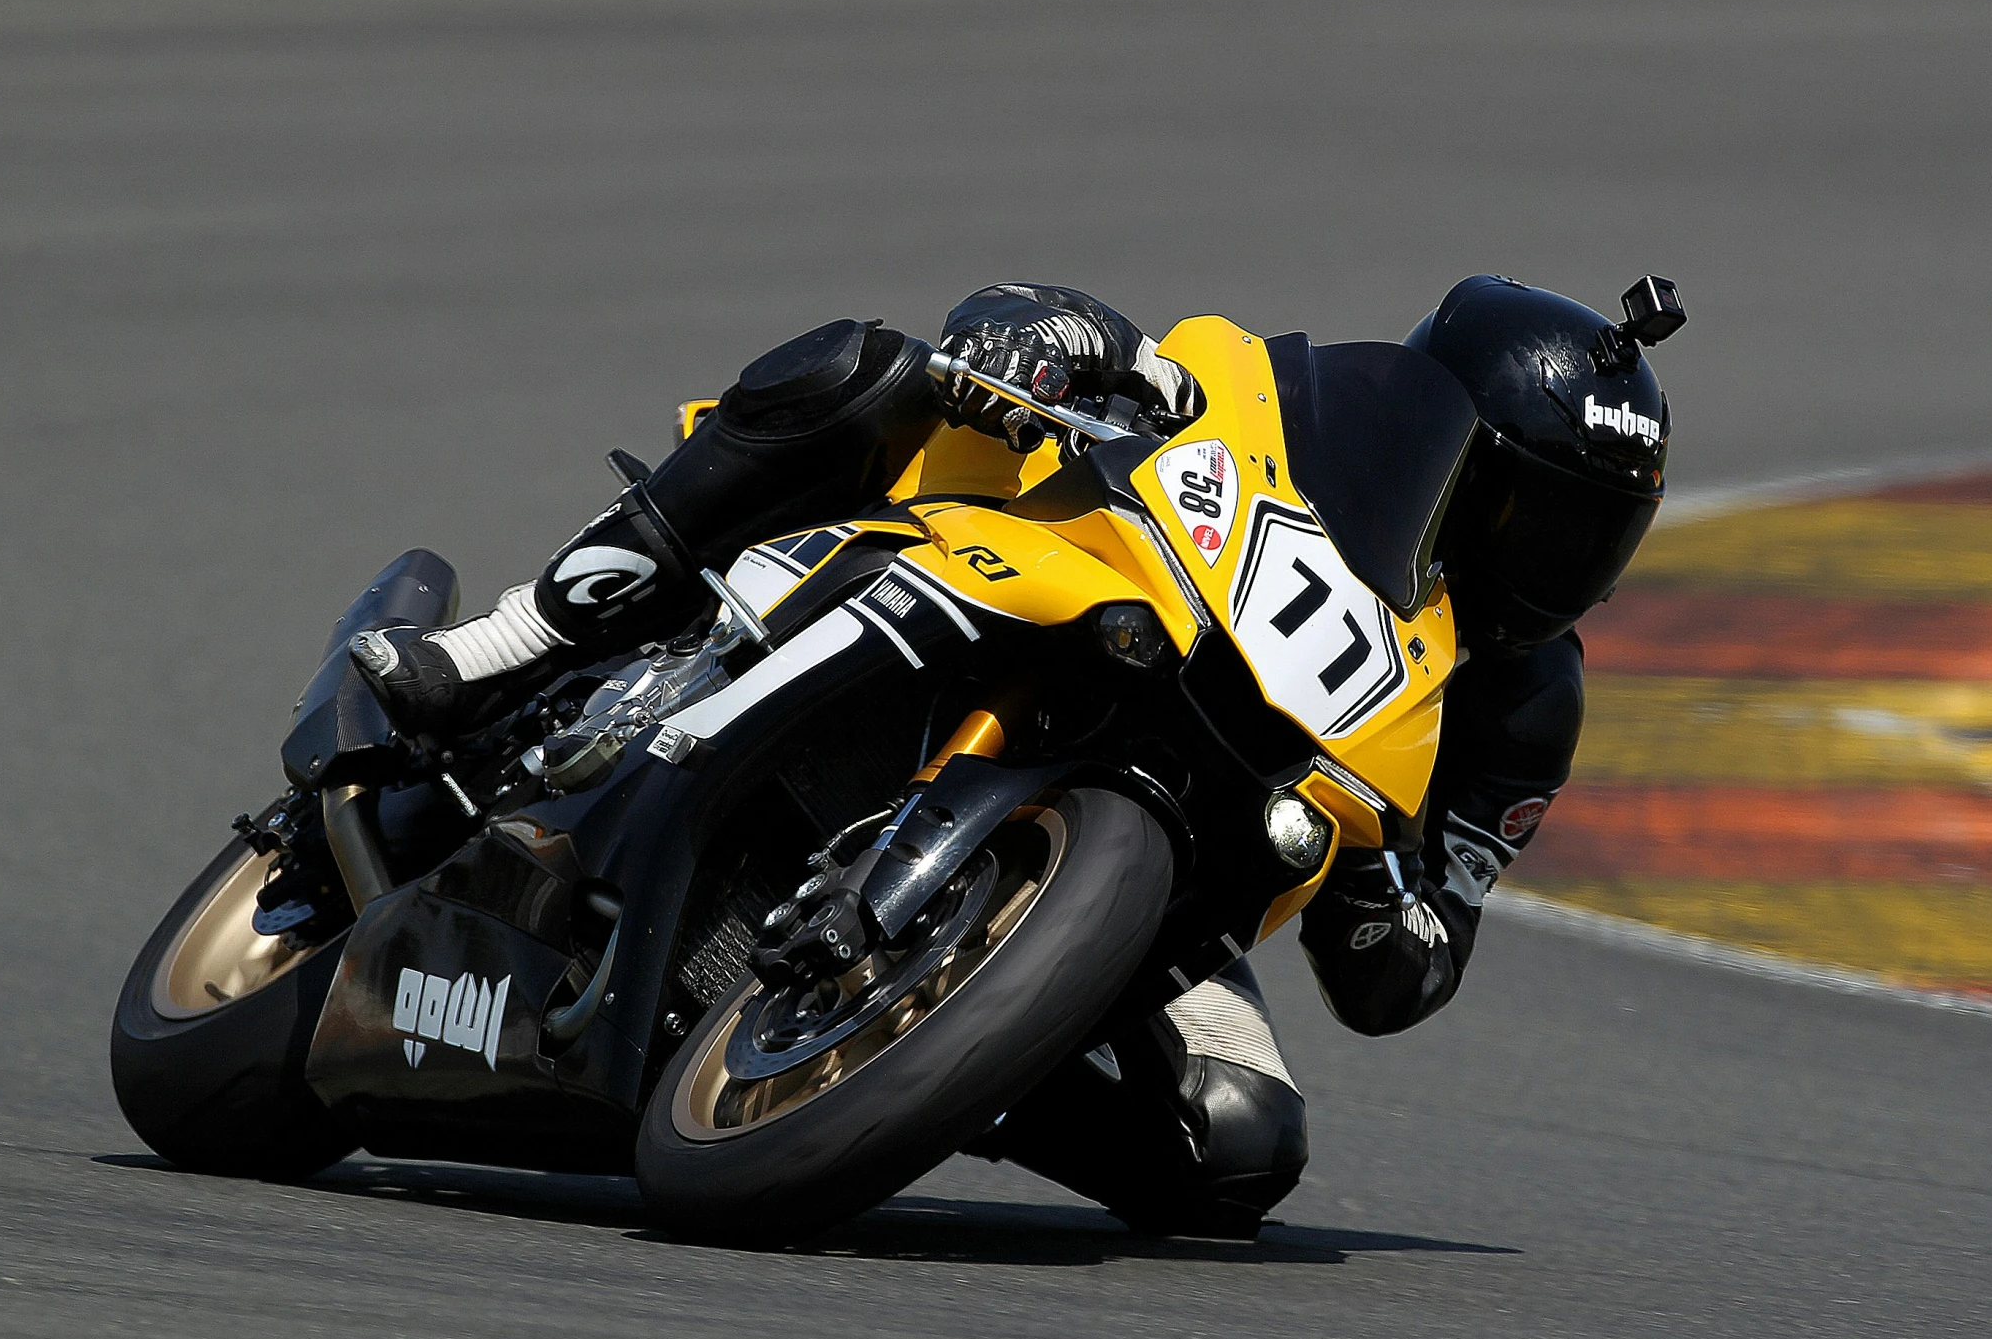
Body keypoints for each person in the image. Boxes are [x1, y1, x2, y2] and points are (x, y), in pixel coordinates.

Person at [351, 276, 1679, 1237]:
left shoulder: (1522, 707)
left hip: (1187, 872)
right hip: (1043, 616)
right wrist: (1054, 330)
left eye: (1588, 535)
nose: (1549, 563)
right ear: (1443, 446)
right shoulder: (1293, 421)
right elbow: (1138, 356)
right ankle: (512, 644)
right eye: (1523, 510)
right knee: (860, 372)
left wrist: (1382, 899)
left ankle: (920, 1056)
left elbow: (1412, 971)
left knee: (1234, 1149)